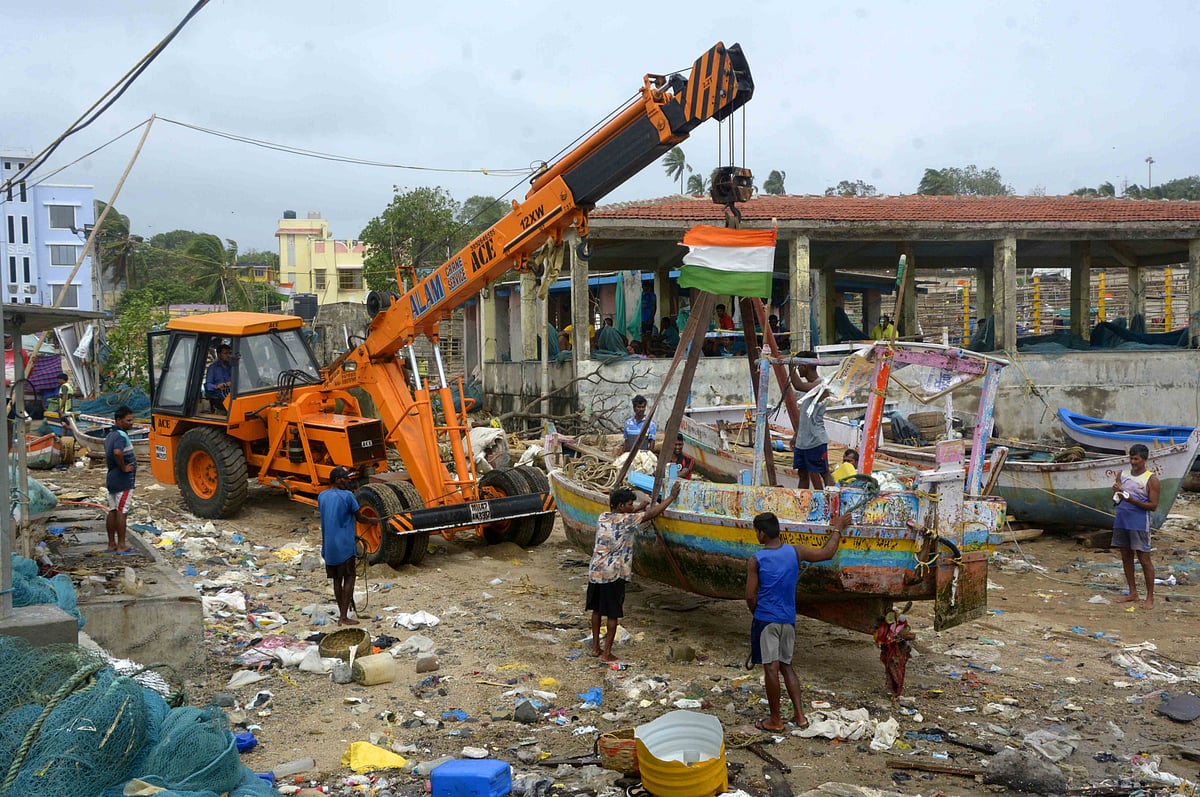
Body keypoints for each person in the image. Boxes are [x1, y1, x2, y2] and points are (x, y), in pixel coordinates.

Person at [746, 510, 851, 731]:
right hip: (788, 620)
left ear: (762, 534)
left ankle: (775, 721)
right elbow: (827, 553)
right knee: (786, 666)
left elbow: (750, 595)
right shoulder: (796, 552)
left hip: (766, 619)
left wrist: (756, 613)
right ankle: (800, 716)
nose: (756, 535)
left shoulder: (757, 559)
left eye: (756, 531)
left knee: (771, 669)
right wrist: (838, 528)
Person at [588, 482, 681, 661]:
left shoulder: (603, 517)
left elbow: (628, 517)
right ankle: (607, 653)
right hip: (613, 574)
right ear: (622, 506)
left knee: (597, 610)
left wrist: (639, 508)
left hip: (596, 571)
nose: (632, 507)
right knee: (613, 614)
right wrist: (671, 497)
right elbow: (652, 515)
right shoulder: (627, 520)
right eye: (630, 505)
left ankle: (595, 648)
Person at [318, 466, 379, 626]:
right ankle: (343, 617)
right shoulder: (348, 496)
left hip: (329, 547)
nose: (348, 481)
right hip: (344, 547)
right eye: (345, 478)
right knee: (350, 577)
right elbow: (360, 518)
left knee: (336, 580)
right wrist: (375, 521)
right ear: (338, 479)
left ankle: (342, 613)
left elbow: (333, 518)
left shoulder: (322, 496)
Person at [1112, 443, 1159, 610]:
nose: (1133, 462)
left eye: (1136, 459)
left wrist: (1131, 500)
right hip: (1122, 519)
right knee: (1126, 555)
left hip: (1139, 522)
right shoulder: (1122, 475)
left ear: (1144, 460)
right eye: (1131, 458)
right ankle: (1132, 592)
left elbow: (1153, 506)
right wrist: (1116, 492)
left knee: (1144, 558)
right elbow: (1116, 496)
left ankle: (1150, 597)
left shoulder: (1151, 479)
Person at [791, 352, 830, 489]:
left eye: (799, 366)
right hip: (802, 441)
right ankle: (802, 506)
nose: (798, 369)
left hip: (816, 440)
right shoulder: (808, 386)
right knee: (802, 474)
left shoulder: (822, 385)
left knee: (824, 473)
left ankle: (831, 503)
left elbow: (798, 385)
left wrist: (790, 365)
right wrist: (796, 435)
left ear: (804, 366)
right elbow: (804, 416)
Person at [104, 405, 137, 553]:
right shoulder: (120, 436)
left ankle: (112, 544)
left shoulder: (109, 435)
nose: (131, 423)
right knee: (122, 511)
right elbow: (118, 452)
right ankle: (122, 545)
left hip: (111, 477)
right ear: (119, 420)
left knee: (112, 511)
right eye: (128, 420)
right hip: (123, 479)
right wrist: (124, 467)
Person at [205, 344, 233, 411]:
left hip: (231, 392)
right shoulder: (213, 368)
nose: (228, 355)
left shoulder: (232, 367)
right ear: (219, 354)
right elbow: (208, 385)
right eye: (225, 353)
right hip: (219, 395)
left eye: (230, 353)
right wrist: (217, 386)